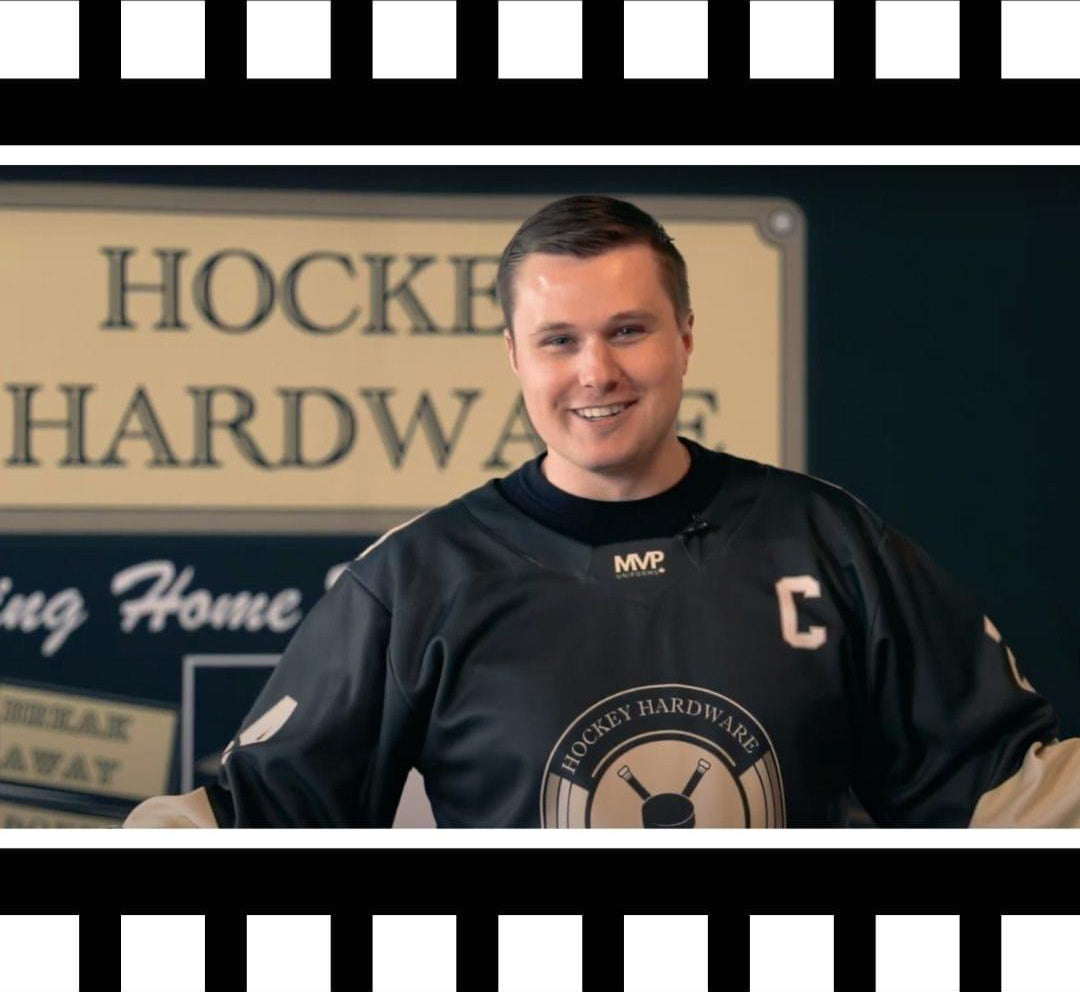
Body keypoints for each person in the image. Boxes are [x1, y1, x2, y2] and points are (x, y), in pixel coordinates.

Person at [124, 194, 1079, 828]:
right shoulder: (417, 583)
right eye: (559, 340)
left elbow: (1009, 800)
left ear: (686, 336)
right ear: (514, 357)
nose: (597, 372)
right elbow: (256, 820)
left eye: (628, 330)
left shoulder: (830, 545)